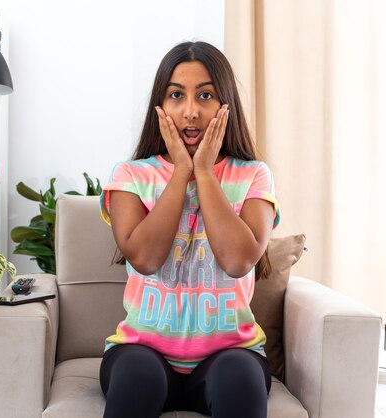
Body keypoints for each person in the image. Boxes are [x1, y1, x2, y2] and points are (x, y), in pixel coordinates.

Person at [98, 40, 281, 418]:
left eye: (206, 95)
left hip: (231, 354)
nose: (191, 112)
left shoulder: (253, 176)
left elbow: (238, 261)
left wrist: (204, 172)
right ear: (160, 107)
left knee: (238, 377)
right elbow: (145, 258)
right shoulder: (131, 175)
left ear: (225, 105)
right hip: (141, 352)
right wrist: (182, 171)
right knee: (136, 377)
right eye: (177, 95)